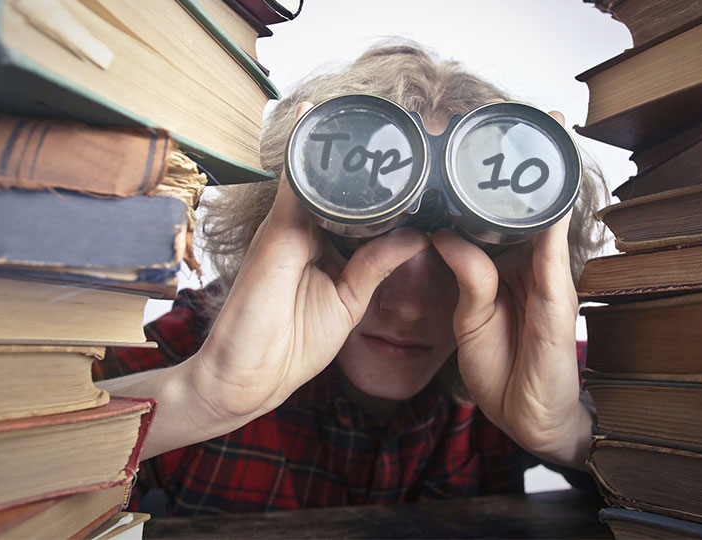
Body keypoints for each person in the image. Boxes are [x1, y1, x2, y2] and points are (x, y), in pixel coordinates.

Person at [94, 41, 609, 516]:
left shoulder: (532, 363)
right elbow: (11, 477)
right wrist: (198, 396)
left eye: (462, 255)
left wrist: (567, 433)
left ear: (516, 269)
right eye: (363, 241)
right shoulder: (184, 352)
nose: (407, 307)